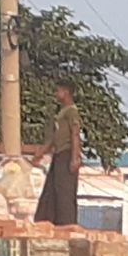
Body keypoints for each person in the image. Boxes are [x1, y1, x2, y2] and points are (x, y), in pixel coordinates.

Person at [34, 83, 84, 226]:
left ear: (66, 92)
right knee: (51, 190)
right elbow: (53, 138)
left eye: (58, 91)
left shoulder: (72, 112)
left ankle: (67, 225)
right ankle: (48, 222)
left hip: (67, 154)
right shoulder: (61, 113)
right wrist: (41, 153)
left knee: (64, 192)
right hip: (58, 154)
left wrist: (75, 157)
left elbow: (75, 134)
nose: (56, 94)